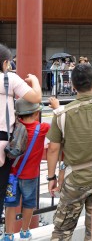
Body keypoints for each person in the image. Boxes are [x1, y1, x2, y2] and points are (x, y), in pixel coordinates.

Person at [46, 63, 92, 241]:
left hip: (74, 179)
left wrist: (51, 178)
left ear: (72, 86)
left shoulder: (62, 114)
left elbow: (54, 148)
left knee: (62, 230)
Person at [0, 44, 41, 215]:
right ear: (5, 63)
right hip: (3, 140)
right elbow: (36, 97)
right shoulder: (9, 79)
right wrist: (36, 81)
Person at [3, 99, 49, 241]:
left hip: (12, 174)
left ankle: (8, 234)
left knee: (10, 204)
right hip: (30, 176)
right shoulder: (42, 128)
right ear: (36, 113)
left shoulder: (13, 128)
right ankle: (24, 231)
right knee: (29, 203)